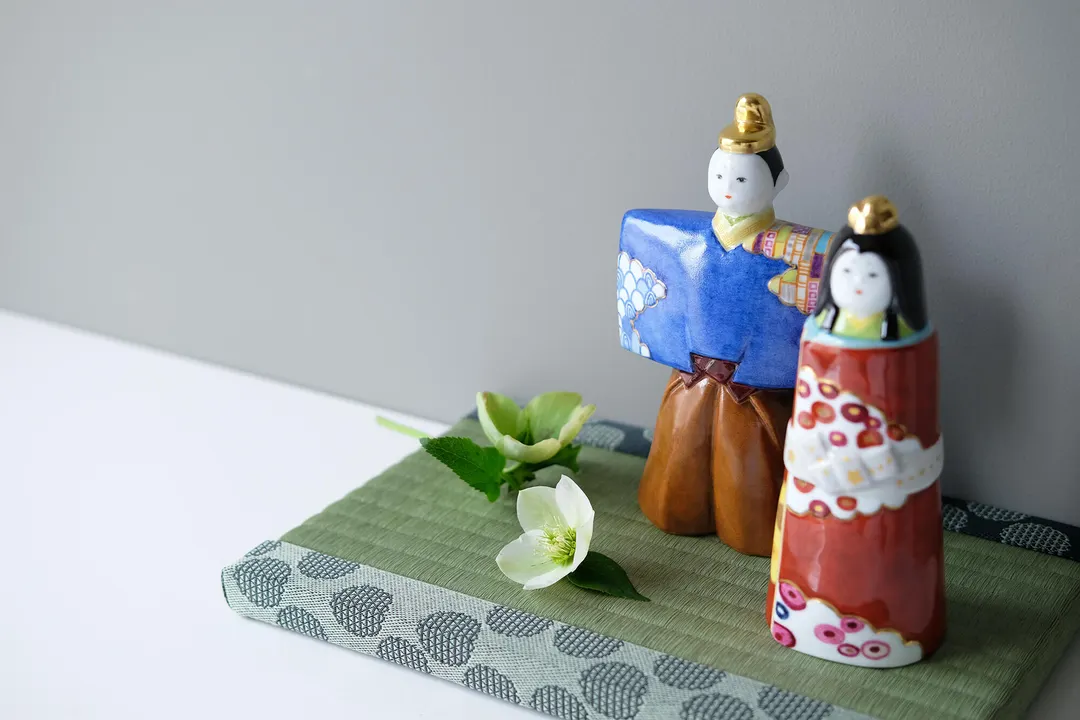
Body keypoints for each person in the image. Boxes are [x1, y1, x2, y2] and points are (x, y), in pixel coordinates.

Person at [618, 94, 835, 555]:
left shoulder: (795, 249)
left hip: (753, 387)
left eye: (741, 178)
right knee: (680, 457)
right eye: (719, 176)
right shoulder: (687, 236)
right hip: (693, 374)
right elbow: (653, 265)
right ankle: (680, 513)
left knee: (749, 469)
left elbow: (800, 314)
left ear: (779, 182)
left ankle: (752, 531)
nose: (728, 187)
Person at [766, 196, 946, 667]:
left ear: (898, 282)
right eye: (847, 272)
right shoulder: (817, 331)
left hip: (890, 478)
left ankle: (897, 633)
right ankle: (800, 621)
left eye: (872, 275)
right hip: (816, 471)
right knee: (809, 549)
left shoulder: (911, 343)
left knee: (888, 559)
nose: (857, 283)